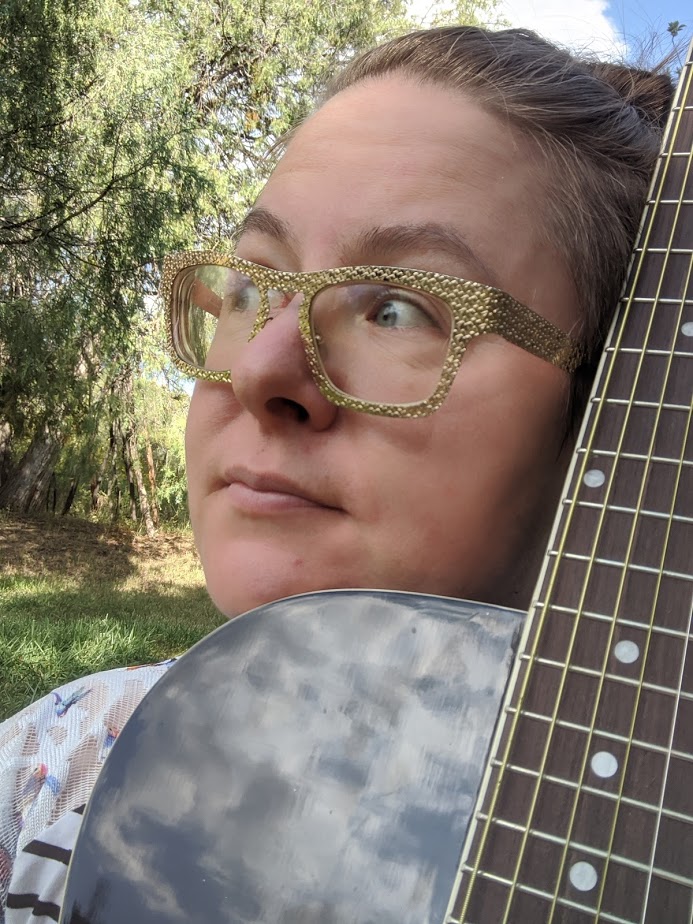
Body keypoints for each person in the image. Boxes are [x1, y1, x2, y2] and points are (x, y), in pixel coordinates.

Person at [0, 24, 674, 923]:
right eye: (249, 287)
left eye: (397, 309)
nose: (258, 370)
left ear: (616, 409)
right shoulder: (64, 755)